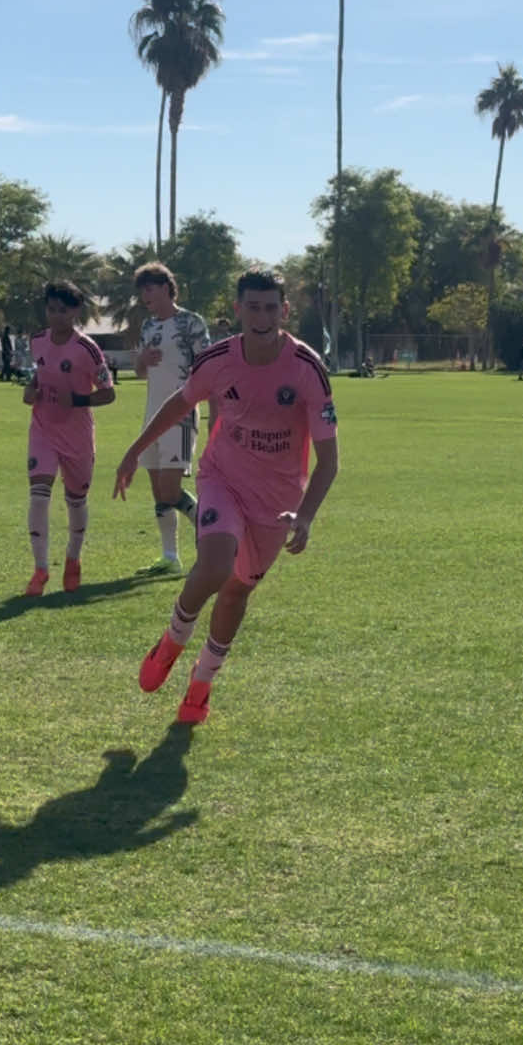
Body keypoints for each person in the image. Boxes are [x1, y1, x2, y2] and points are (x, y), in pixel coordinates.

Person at [114, 269, 338, 725]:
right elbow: (181, 403)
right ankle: (172, 641)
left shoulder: (307, 367)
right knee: (215, 566)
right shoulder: (218, 359)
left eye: (271, 307)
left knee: (236, 593)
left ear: (285, 311)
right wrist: (135, 452)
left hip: (276, 500)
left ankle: (201, 684)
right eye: (252, 307)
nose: (262, 316)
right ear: (238, 309)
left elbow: (329, 459)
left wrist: (308, 516)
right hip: (222, 479)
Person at [22, 281, 115, 596]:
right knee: (38, 494)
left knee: (76, 500)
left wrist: (76, 401)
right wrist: (31, 388)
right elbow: (39, 373)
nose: (56, 316)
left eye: (63, 310)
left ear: (75, 311)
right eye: (51, 309)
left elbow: (109, 394)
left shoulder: (86, 348)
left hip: (76, 435)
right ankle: (40, 569)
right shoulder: (37, 341)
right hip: (43, 429)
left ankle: (73, 560)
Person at [132, 261, 210, 576]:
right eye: (141, 291)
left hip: (181, 413)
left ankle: (213, 526)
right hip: (152, 414)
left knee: (169, 489)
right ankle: (170, 556)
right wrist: (141, 359)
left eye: (149, 289)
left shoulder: (191, 323)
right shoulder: (148, 328)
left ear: (166, 287)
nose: (144, 296)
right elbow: (139, 373)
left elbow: (207, 366)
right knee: (158, 491)